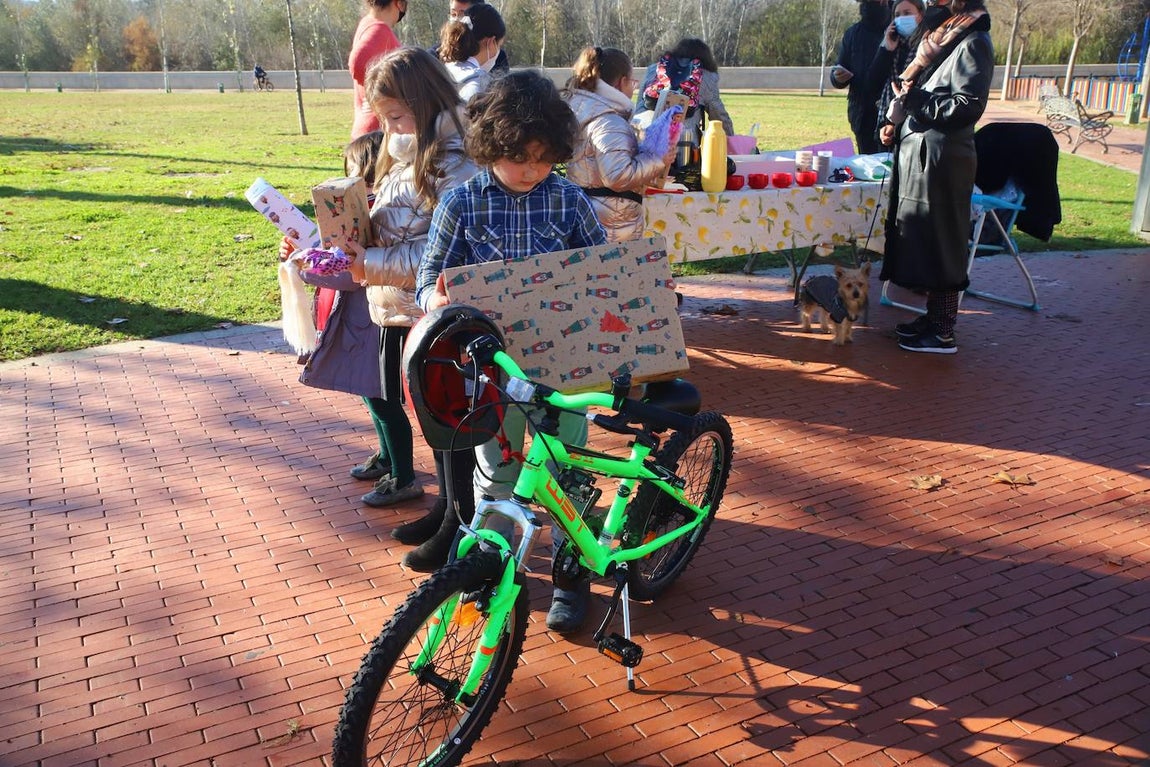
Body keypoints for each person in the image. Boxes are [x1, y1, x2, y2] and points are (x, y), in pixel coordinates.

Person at [416, 70, 608, 632]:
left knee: (565, 473)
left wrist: (636, 290)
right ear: (492, 146)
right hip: (492, 374)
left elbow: (601, 269)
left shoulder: (568, 199)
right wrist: (436, 296)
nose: (532, 170)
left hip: (565, 368)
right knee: (496, 477)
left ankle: (573, 577)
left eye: (545, 158)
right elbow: (429, 276)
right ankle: (490, 568)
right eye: (520, 157)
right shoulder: (462, 204)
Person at [338, 47, 482, 569]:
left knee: (451, 423)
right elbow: (398, 224)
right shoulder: (407, 149)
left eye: (398, 115)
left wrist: (371, 260)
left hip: (438, 311)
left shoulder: (454, 160)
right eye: (386, 117)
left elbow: (444, 253)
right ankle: (447, 509)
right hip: (404, 308)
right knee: (434, 420)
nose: (391, 127)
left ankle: (459, 520)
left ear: (424, 101)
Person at [278, 129, 424, 511]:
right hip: (363, 323)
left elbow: (348, 273)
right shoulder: (366, 213)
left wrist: (305, 264)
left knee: (384, 401)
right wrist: (301, 251)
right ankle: (388, 458)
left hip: (378, 323)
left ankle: (404, 476)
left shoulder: (378, 217)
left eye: (357, 173)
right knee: (371, 396)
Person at [880, 0, 994, 354]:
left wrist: (917, 102)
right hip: (920, 157)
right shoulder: (942, 38)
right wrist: (898, 117)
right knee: (924, 239)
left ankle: (944, 330)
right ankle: (931, 319)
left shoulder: (973, 42)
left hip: (944, 161)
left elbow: (968, 105)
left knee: (943, 240)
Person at [564, 46, 676, 242]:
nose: (633, 88)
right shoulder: (609, 121)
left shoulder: (585, 110)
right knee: (611, 272)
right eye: (632, 82)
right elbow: (617, 176)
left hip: (591, 212)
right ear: (622, 82)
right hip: (612, 222)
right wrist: (658, 159)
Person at [636, 38, 734, 150]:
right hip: (682, 144)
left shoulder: (653, 69)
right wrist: (731, 140)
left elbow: (639, 107)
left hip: (644, 137)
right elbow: (718, 115)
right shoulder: (706, 76)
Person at [831, 0, 890, 155]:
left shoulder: (897, 31)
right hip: (862, 114)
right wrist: (838, 77)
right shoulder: (853, 34)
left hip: (893, 113)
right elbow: (839, 68)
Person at [865, 0, 925, 148]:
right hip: (889, 124)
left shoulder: (928, 48)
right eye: (897, 15)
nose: (901, 18)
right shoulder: (894, 46)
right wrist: (886, 50)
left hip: (918, 128)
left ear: (921, 16)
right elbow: (872, 83)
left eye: (907, 13)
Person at [349, 0, 407, 139]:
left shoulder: (368, 23)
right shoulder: (379, 30)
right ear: (399, 3)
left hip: (371, 130)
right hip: (378, 132)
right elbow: (357, 61)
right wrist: (377, 94)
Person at [436, 2, 506, 103]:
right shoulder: (483, 86)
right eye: (499, 45)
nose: (498, 51)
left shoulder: (441, 71)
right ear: (490, 42)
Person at [432, 0, 511, 74]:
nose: (456, 20)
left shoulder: (497, 57)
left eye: (462, 14)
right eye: (453, 14)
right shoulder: (433, 57)